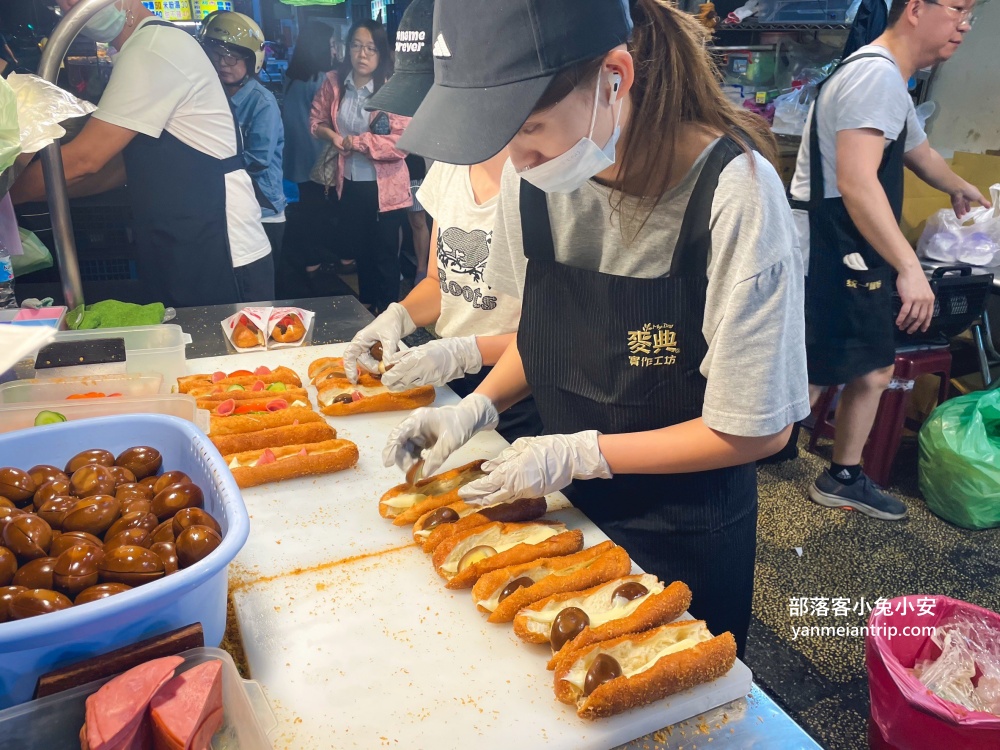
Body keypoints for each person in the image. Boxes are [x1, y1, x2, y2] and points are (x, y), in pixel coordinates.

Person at [384, 0, 809, 657]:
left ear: (614, 78)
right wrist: (474, 408)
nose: (518, 161)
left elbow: (756, 425)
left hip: (683, 529)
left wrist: (583, 452)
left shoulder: (736, 197)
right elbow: (547, 335)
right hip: (563, 512)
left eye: (531, 129)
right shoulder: (540, 179)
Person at [789, 0, 987, 520]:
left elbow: (917, 151)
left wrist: (960, 187)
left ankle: (842, 475)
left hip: (856, 242)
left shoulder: (891, 82)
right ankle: (740, 464)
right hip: (836, 245)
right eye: (959, 9)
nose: (965, 25)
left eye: (972, 15)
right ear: (916, 9)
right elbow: (856, 182)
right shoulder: (874, 76)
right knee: (814, 370)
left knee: (870, 365)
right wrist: (909, 266)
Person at [342, 0, 541, 442]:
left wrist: (465, 352)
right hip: (449, 378)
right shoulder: (451, 160)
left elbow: (555, 335)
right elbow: (439, 280)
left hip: (520, 391)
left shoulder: (542, 174)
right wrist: (398, 317)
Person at [11, 0, 272, 307]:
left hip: (221, 248)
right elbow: (119, 167)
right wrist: (35, 194)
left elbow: (85, 159)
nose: (67, 7)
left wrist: (8, 193)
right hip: (185, 243)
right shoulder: (144, 47)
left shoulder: (153, 49)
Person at [309, 18, 411, 314]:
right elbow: (315, 121)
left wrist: (359, 143)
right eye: (356, 46)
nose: (362, 54)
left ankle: (389, 312)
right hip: (349, 181)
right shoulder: (335, 83)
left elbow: (402, 142)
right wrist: (332, 136)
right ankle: (366, 306)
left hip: (386, 189)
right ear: (346, 49)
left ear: (382, 53)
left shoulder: (394, 89)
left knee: (384, 255)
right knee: (361, 250)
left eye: (370, 48)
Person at [201, 12, 286, 281]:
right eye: (216, 54)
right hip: (226, 208)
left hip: (263, 211)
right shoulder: (211, 96)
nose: (222, 63)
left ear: (252, 61)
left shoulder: (262, 101)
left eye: (232, 56)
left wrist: (206, 170)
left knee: (260, 289)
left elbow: (259, 158)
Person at [280, 22, 337, 295]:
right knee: (319, 212)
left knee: (307, 209)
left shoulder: (292, 75)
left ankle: (310, 261)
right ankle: (315, 263)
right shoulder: (321, 80)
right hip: (315, 155)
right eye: (329, 44)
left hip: (296, 154)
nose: (333, 49)